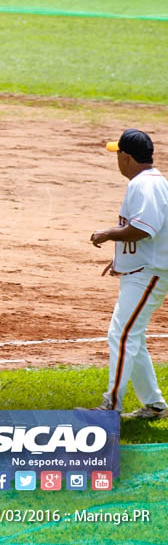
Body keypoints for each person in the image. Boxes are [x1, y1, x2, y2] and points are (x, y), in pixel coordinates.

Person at [89, 129, 168, 420]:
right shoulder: (148, 183)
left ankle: (110, 406)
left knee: (121, 335)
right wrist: (121, 258)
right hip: (143, 269)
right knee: (131, 336)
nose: (117, 161)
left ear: (125, 156)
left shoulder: (145, 186)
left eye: (117, 155)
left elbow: (146, 228)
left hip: (150, 273)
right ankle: (154, 406)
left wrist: (108, 234)